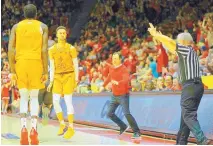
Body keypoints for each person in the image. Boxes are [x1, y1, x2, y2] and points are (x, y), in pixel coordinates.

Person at [148, 23, 212, 145]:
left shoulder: (187, 50)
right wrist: (161, 38)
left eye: (179, 41)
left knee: (188, 115)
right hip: (196, 86)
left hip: (190, 86)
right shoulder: (189, 52)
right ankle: (180, 143)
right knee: (184, 120)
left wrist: (156, 34)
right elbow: (171, 46)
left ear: (183, 41)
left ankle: (202, 140)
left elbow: (172, 43)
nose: (177, 42)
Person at [8, 4, 48, 145]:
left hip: (21, 64)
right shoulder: (43, 26)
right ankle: (34, 131)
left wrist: (12, 70)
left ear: (24, 14)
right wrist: (45, 70)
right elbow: (44, 50)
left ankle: (23, 129)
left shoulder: (16, 27)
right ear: (36, 14)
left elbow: (11, 49)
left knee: (24, 96)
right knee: (35, 97)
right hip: (36, 63)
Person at [47, 26, 79, 139]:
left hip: (69, 76)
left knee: (68, 101)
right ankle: (62, 124)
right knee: (55, 101)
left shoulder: (71, 48)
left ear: (66, 35)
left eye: (64, 33)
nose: (62, 34)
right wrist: (51, 81)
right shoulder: (51, 50)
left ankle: (71, 127)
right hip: (56, 77)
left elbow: (75, 64)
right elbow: (52, 66)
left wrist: (76, 79)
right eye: (60, 33)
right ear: (56, 35)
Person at [100, 52, 141, 139]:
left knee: (126, 113)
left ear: (119, 59)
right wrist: (103, 86)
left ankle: (136, 132)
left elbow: (126, 80)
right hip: (114, 95)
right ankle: (123, 126)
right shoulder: (111, 68)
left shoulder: (124, 69)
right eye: (113, 58)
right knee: (109, 114)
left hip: (123, 95)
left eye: (116, 58)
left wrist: (118, 83)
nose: (114, 60)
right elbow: (109, 77)